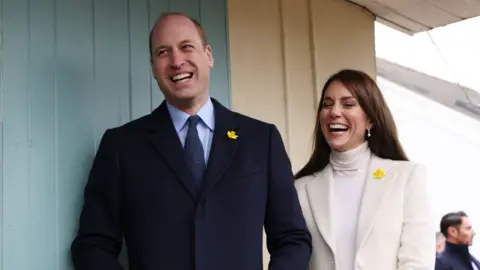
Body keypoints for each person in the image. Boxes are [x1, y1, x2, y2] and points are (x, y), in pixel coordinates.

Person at [70, 12, 311, 270]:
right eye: (163, 52)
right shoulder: (121, 146)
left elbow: (292, 239)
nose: (177, 61)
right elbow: (93, 245)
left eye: (186, 47)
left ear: (208, 55)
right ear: (153, 67)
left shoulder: (261, 141)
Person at [294, 69, 435, 270]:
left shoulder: (406, 177)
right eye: (327, 105)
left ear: (370, 119)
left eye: (348, 104)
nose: (334, 112)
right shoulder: (300, 188)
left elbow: (417, 262)